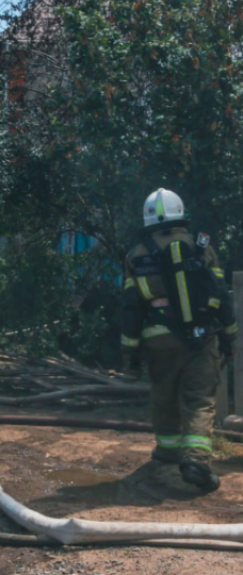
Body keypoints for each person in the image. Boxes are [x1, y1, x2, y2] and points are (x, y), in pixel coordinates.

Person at [121, 188, 237, 492]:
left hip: (158, 337)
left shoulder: (137, 255)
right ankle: (196, 459)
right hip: (201, 336)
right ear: (180, 213)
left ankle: (167, 451)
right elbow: (221, 295)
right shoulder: (200, 247)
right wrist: (229, 334)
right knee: (199, 400)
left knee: (164, 393)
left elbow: (132, 308)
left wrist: (130, 351)